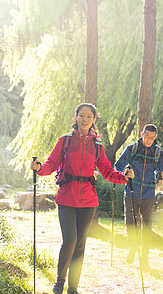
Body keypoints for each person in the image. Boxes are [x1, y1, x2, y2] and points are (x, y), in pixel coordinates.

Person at [30, 103, 134, 294]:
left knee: (80, 244)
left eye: (89, 116)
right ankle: (60, 281)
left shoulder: (98, 145)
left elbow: (107, 171)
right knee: (69, 240)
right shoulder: (65, 140)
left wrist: (124, 178)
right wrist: (39, 168)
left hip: (88, 201)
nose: (85, 120)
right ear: (76, 117)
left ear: (94, 119)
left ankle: (73, 286)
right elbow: (52, 163)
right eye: (81, 116)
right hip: (66, 198)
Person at [114, 124, 163, 270]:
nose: (149, 141)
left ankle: (144, 260)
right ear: (142, 134)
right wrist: (124, 173)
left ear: (155, 137)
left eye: (152, 138)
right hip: (131, 192)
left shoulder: (158, 153)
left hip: (149, 194)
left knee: (146, 227)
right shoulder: (132, 149)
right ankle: (133, 246)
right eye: (147, 137)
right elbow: (118, 166)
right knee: (130, 225)